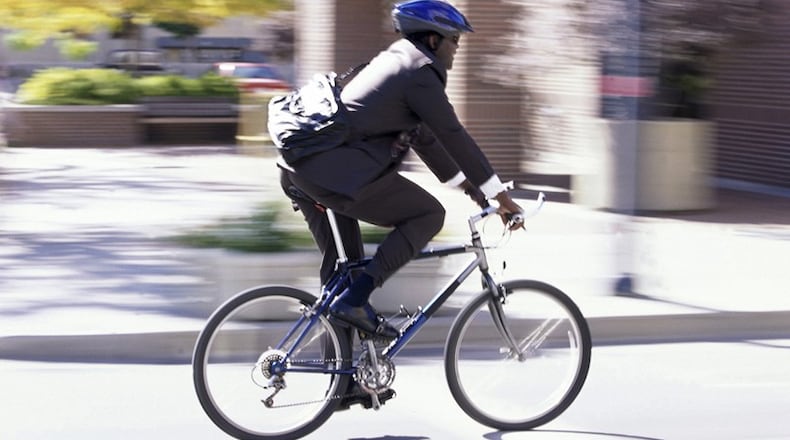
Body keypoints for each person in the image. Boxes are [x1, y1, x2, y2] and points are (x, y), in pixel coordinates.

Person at [279, 0, 523, 340]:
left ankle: (344, 385)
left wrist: (473, 190)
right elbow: (453, 135)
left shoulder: (394, 62)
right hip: (334, 175)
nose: (457, 49)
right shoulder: (419, 74)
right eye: (455, 40)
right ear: (434, 40)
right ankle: (357, 300)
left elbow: (425, 139)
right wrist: (503, 198)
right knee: (428, 215)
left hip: (303, 170)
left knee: (343, 278)